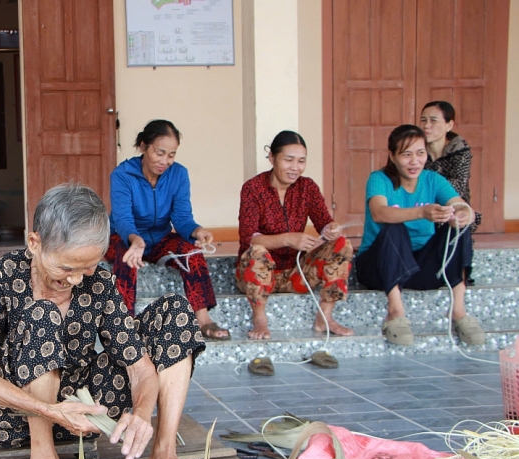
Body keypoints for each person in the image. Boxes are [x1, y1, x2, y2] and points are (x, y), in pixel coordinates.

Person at [0, 183, 206, 459]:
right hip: (11, 417)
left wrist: (142, 414)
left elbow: (139, 368)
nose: (77, 279)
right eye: (66, 268)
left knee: (176, 311)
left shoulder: (98, 283)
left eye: (87, 267)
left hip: (85, 415)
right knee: (43, 314)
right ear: (34, 243)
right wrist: (52, 411)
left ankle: (164, 455)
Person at [355, 124, 484, 346]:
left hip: (418, 268)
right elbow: (379, 212)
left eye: (420, 153)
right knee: (394, 225)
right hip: (378, 268)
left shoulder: (432, 179)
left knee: (459, 227)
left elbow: (461, 205)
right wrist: (421, 212)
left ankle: (458, 311)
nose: (414, 161)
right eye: (406, 155)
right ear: (392, 156)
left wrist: (463, 215)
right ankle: (395, 312)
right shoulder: (379, 179)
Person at [106, 119, 230, 340]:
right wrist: (135, 240)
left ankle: (203, 320)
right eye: (159, 153)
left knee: (191, 252)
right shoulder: (122, 175)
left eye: (171, 155)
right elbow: (122, 219)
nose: (165, 161)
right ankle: (124, 324)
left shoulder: (179, 174)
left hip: (159, 238)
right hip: (125, 237)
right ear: (143, 146)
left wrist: (196, 231)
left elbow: (182, 218)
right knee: (126, 257)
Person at [236, 130, 354, 340]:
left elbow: (324, 223)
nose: (295, 167)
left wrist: (331, 228)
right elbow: (248, 238)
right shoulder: (253, 188)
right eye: (288, 160)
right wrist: (288, 238)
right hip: (257, 275)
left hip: (297, 274)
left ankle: (325, 317)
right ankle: (260, 319)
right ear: (272, 157)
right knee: (257, 251)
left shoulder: (307, 187)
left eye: (301, 161)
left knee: (341, 244)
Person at [420, 100, 481, 231]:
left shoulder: (460, 151)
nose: (426, 126)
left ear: (449, 125)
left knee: (458, 217)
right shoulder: (415, 148)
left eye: (433, 120)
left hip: (451, 206)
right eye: (423, 120)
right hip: (420, 206)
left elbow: (458, 187)